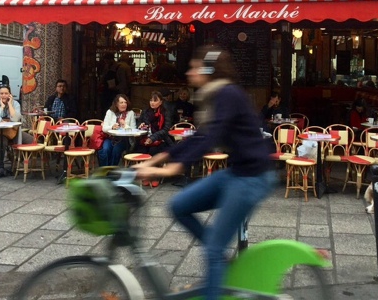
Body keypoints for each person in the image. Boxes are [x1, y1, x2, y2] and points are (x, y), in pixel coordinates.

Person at [134, 47, 275, 300]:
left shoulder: (228, 94)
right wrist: (161, 157)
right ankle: (218, 262)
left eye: (194, 67)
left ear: (208, 70)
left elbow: (212, 135)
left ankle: (215, 259)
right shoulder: (217, 95)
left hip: (252, 178)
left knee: (210, 250)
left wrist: (175, 168)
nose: (189, 72)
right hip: (237, 173)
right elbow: (200, 136)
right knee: (178, 205)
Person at [0, 85, 33, 180]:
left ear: (10, 94)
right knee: (0, 142)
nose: (4, 95)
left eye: (6, 93)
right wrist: (1, 107)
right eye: (1, 93)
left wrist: (10, 105)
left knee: (31, 140)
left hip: (12, 131)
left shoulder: (15, 104)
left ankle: (18, 163)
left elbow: (16, 118)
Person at [136, 91, 175, 172]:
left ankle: (154, 174)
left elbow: (166, 129)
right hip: (145, 138)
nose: (152, 103)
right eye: (151, 100)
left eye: (155, 100)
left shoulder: (165, 112)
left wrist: (152, 138)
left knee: (153, 151)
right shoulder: (145, 111)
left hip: (161, 139)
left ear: (160, 102)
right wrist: (141, 125)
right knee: (139, 150)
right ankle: (144, 173)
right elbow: (139, 122)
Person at [99, 94, 136, 167]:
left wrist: (125, 125)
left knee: (116, 150)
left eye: (125, 102)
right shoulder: (110, 112)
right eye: (121, 102)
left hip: (124, 139)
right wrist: (112, 127)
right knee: (105, 150)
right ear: (116, 104)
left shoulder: (130, 113)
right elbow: (104, 128)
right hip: (110, 138)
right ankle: (104, 170)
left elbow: (133, 130)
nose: (124, 104)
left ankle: (112, 170)